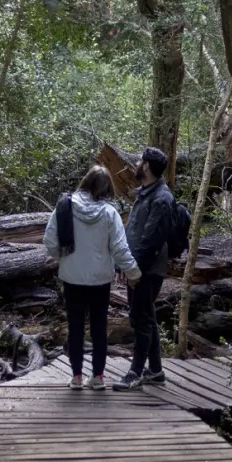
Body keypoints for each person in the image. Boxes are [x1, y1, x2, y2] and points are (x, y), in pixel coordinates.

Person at [43, 165, 141, 390]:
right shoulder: (109, 213)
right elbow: (119, 248)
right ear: (105, 188)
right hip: (100, 281)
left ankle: (76, 377)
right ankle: (98, 377)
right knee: (99, 327)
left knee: (75, 327)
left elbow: (49, 241)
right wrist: (133, 272)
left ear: (86, 182)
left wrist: (64, 257)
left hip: (72, 278)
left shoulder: (64, 206)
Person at [113, 147, 173, 391]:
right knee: (145, 316)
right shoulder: (146, 193)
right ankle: (156, 370)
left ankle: (135, 372)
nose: (137, 163)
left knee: (141, 320)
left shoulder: (162, 198)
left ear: (147, 166)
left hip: (146, 270)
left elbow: (150, 241)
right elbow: (133, 233)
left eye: (140, 160)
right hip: (137, 267)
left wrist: (134, 270)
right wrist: (123, 264)